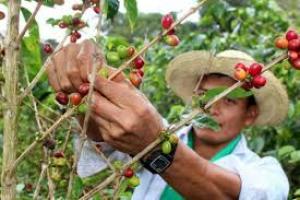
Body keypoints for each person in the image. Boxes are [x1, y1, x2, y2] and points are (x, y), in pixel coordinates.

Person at [46, 40, 289, 199]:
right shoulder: (161, 129)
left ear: (250, 115)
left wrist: (154, 148)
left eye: (229, 100)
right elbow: (107, 138)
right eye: (204, 95)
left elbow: (235, 194)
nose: (211, 107)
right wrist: (85, 89)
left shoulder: (266, 173)